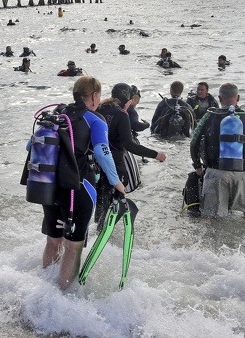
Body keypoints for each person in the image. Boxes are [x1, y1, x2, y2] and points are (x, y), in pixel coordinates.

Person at [40, 76, 127, 290]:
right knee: (73, 247)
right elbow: (102, 153)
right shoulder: (95, 119)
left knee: (53, 241)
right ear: (95, 96)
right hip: (77, 189)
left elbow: (30, 146)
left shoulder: (57, 115)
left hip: (49, 185)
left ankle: (44, 289)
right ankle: (63, 298)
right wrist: (117, 183)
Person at [96, 84, 166, 221]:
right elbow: (129, 145)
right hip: (114, 164)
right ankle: (104, 234)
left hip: (97, 163)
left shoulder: (100, 108)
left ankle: (95, 231)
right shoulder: (121, 115)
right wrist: (156, 154)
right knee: (113, 201)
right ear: (127, 98)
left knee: (100, 203)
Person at [190, 83, 245, 218]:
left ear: (220, 98)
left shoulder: (210, 115)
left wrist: (197, 165)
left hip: (216, 172)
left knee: (211, 219)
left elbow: (194, 143)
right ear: (238, 97)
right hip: (244, 173)